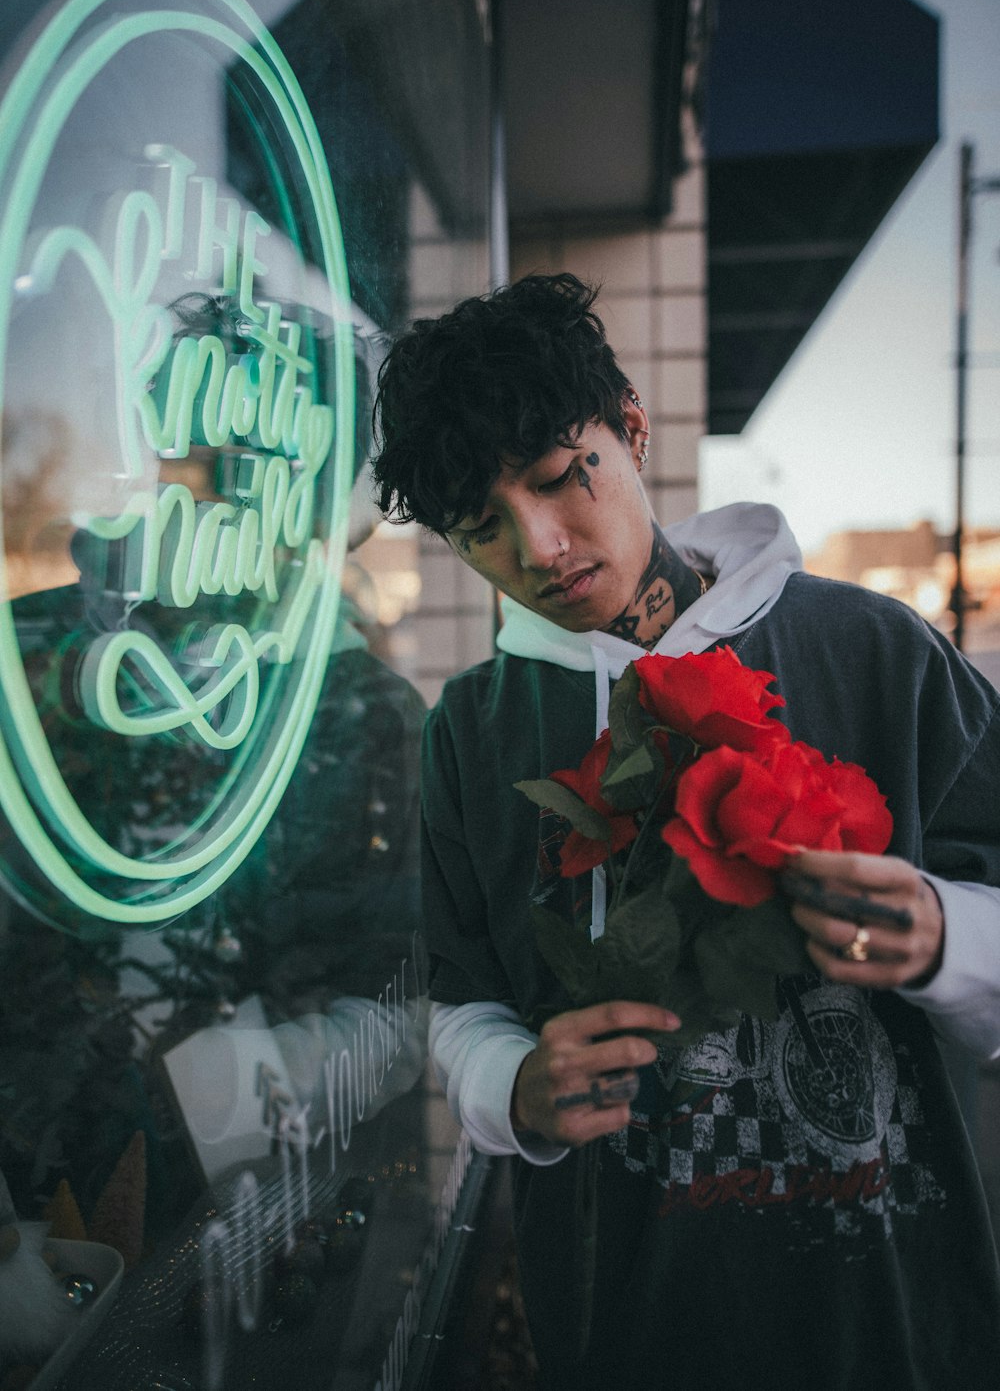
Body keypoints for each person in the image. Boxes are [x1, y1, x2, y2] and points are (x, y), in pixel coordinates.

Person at [371, 273, 1000, 1391]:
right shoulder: (471, 733)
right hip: (625, 1319)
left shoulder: (876, 652)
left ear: (630, 426)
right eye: (483, 531)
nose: (543, 547)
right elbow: (460, 992)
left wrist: (945, 932)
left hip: (894, 1307)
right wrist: (509, 1086)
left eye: (566, 478)